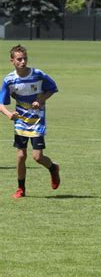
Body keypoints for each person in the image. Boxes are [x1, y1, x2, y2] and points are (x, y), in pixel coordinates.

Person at [0, 44, 60, 198]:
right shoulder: (9, 80)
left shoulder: (38, 75)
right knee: (20, 156)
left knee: (37, 157)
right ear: (12, 61)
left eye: (25, 58)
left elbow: (52, 88)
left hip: (37, 119)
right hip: (20, 120)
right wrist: (8, 114)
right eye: (19, 59)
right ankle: (21, 189)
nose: (23, 62)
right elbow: (1, 103)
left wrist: (40, 99)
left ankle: (53, 168)